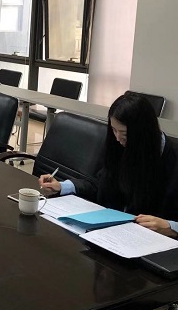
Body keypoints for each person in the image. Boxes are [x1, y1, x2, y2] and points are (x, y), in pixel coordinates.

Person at [39, 92, 178, 238]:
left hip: (154, 243)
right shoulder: (119, 146)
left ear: (144, 131)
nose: (118, 138)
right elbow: (101, 183)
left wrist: (171, 227)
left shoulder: (172, 160)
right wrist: (63, 186)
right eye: (114, 130)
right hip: (115, 235)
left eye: (124, 133)